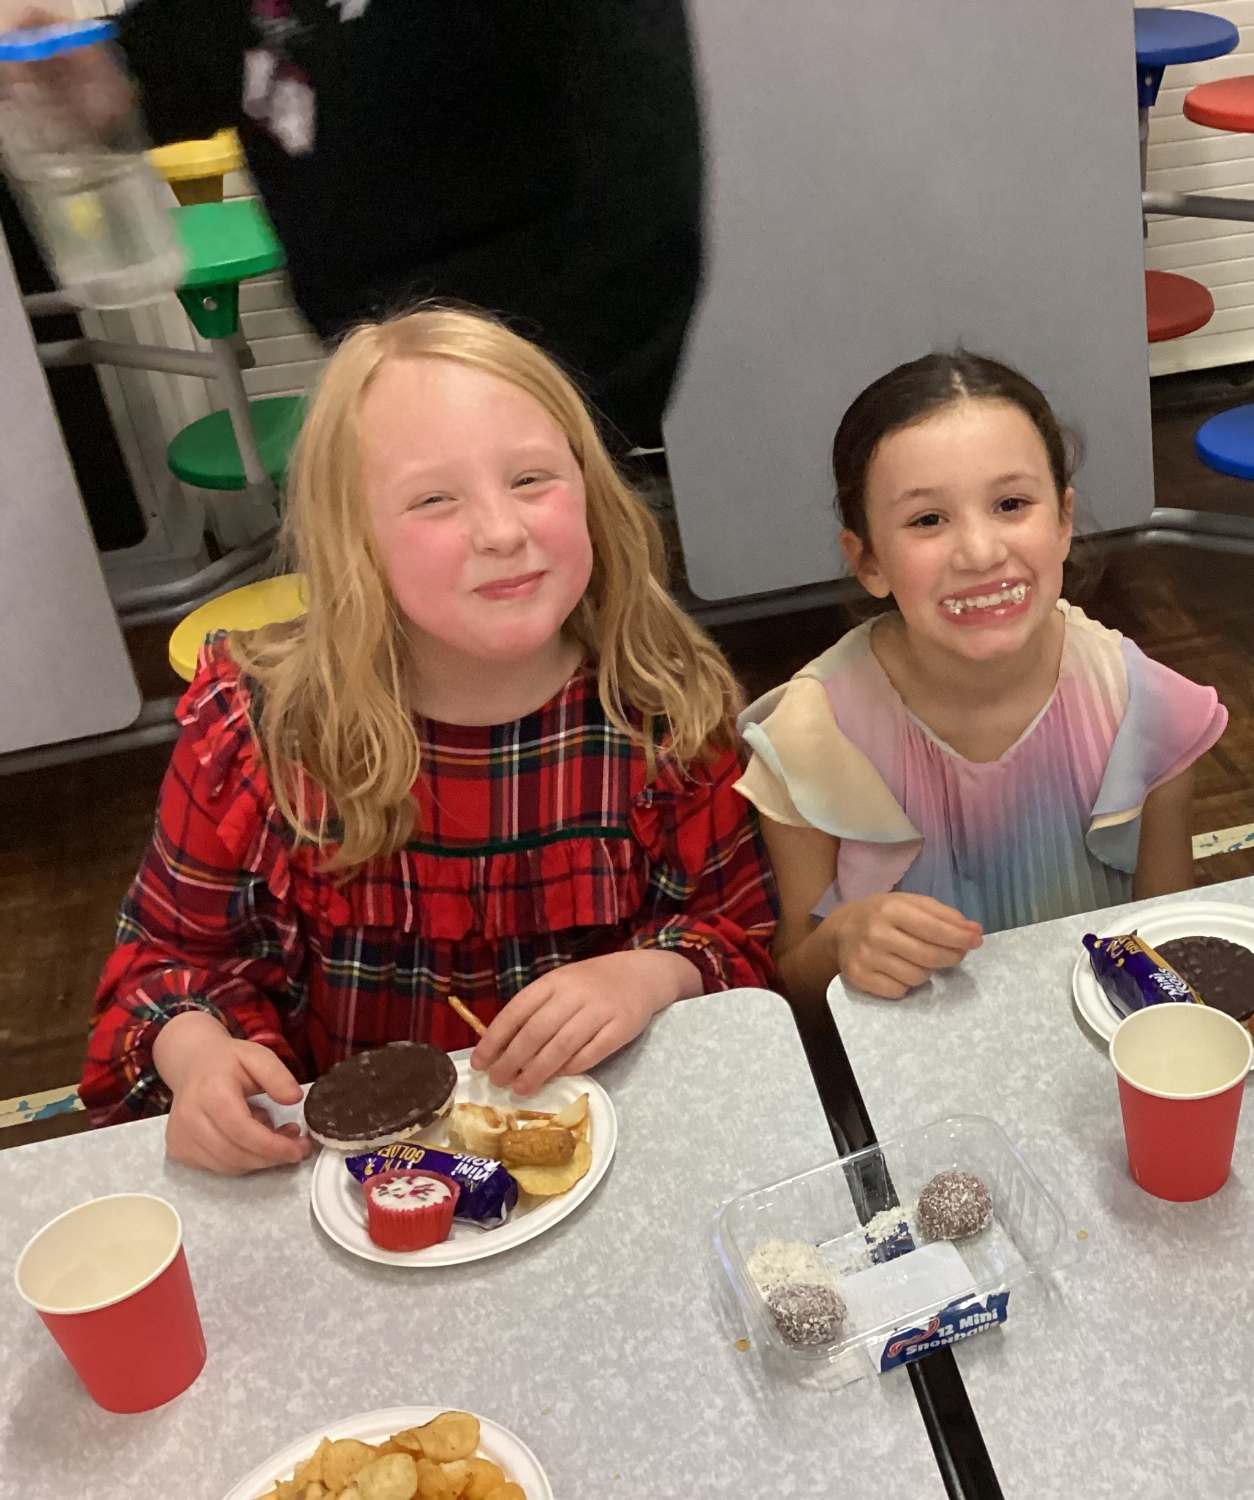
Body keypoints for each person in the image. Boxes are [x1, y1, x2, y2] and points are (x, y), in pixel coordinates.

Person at [83, 307, 776, 1173]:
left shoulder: (665, 713)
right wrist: (198, 1059)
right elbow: (164, 964)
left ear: (591, 490)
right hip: (341, 1178)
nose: (502, 531)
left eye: (531, 479)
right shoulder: (257, 729)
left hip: (600, 1155)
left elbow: (738, 934)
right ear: (352, 539)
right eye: (433, 500)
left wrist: (651, 974)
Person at [736, 351, 1227, 1001]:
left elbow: (1167, 939)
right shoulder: (810, 740)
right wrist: (838, 942)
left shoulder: (1144, 711)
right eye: (927, 520)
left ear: (1063, 522)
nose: (980, 552)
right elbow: (796, 981)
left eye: (1011, 504)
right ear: (868, 560)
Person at [5, 1, 703, 451]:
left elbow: (644, 163)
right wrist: (98, 81)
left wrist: (576, 408)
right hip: (379, 361)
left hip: (550, 365)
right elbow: (191, 58)